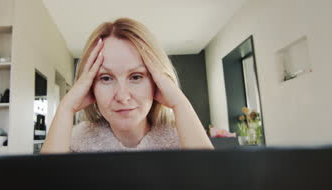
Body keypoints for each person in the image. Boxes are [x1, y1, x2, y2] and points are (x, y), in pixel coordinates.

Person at [41, 17, 213, 153]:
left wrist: (180, 104)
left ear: (156, 82)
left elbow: (212, 188)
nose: (122, 97)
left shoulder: (182, 138)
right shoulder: (75, 142)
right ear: (90, 87)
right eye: (106, 78)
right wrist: (66, 108)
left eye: (136, 76)